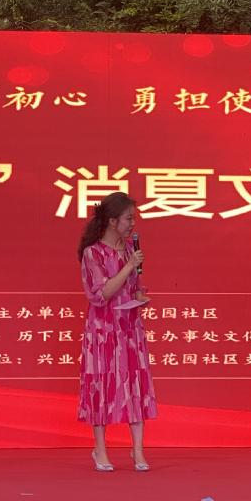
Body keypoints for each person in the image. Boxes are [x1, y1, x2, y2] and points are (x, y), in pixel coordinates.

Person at [77, 192, 157, 472]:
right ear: (112, 220)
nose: (133, 223)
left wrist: (140, 295)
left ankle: (138, 450)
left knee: (134, 383)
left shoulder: (129, 249)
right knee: (101, 385)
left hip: (129, 328)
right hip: (103, 330)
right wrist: (129, 266)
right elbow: (102, 294)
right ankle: (100, 449)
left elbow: (133, 286)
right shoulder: (93, 253)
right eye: (128, 218)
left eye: (134, 218)